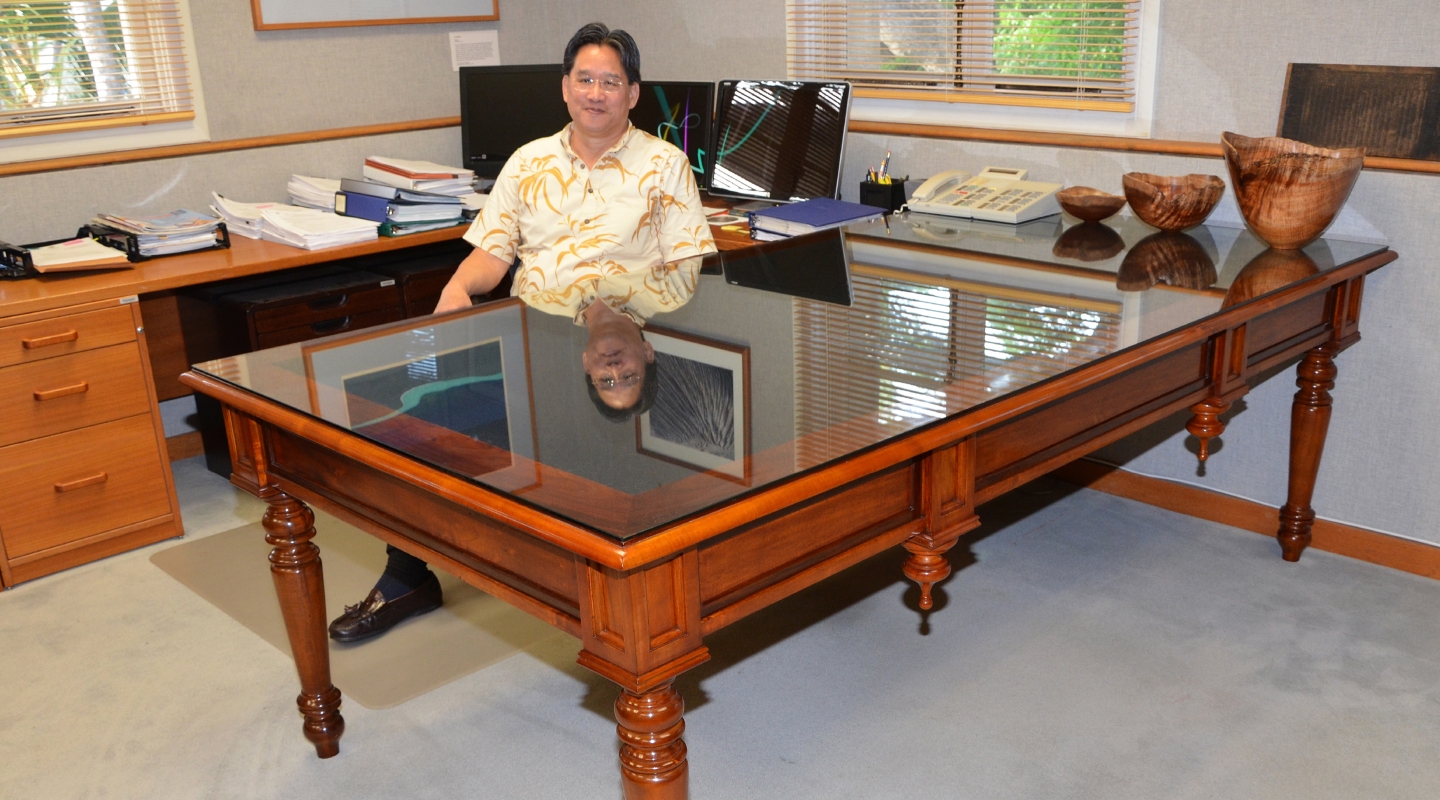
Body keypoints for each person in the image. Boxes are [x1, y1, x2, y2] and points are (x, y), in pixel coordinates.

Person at [328, 22, 716, 643]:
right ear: (565, 88)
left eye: (610, 82)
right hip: (528, 344)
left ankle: (606, 591)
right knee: (413, 415)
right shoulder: (527, 162)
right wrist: (458, 288)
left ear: (634, 93)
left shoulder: (664, 165)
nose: (596, 93)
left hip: (627, 351)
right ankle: (407, 572)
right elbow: (492, 255)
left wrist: (608, 318)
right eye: (584, 79)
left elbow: (685, 278)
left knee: (601, 457)